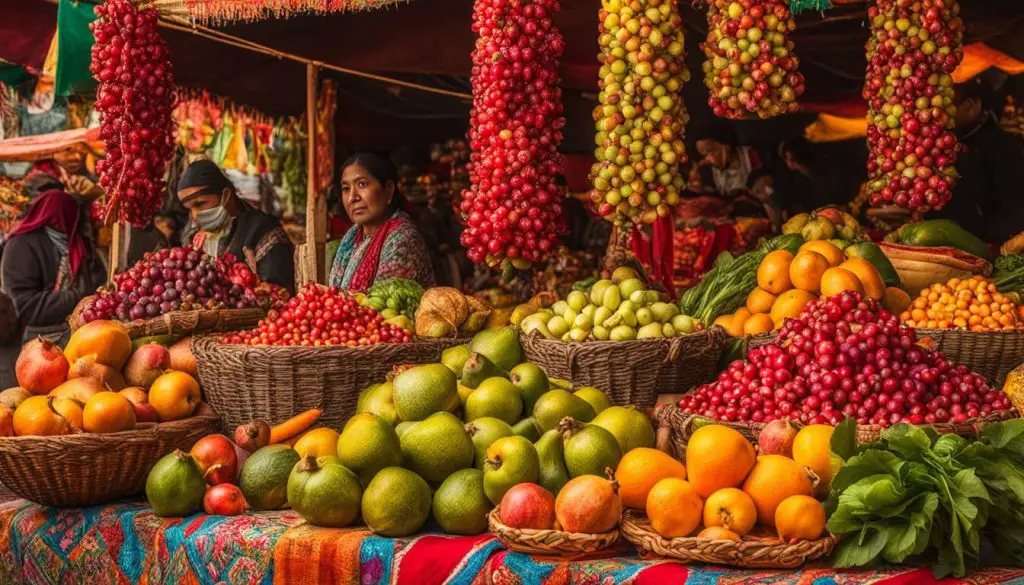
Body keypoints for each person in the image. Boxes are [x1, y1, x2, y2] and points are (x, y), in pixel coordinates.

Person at [1, 190, 106, 345]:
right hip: (37, 338)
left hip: (74, 331)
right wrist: (78, 298)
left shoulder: (76, 244)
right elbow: (24, 305)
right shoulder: (20, 245)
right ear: (66, 215)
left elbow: (96, 280)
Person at [177, 159, 295, 291]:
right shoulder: (200, 241)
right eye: (189, 209)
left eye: (200, 204)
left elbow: (278, 292)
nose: (194, 215)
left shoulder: (262, 228)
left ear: (225, 196)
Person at [929, 78, 1024, 243]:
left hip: (982, 248)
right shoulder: (939, 143)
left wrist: (987, 245)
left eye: (945, 109)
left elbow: (1015, 209)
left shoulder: (1002, 146)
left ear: (970, 106)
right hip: (939, 242)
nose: (937, 117)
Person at [328, 153, 434, 291]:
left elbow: (385, 306)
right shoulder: (353, 237)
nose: (352, 198)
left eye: (362, 184)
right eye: (346, 189)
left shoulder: (403, 241)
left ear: (389, 189)